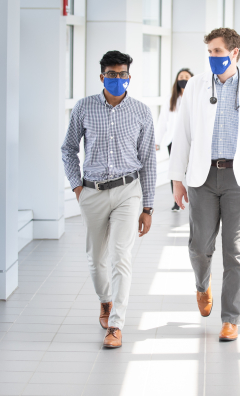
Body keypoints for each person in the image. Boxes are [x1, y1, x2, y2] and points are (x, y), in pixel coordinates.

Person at [169, 28, 240, 342]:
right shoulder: (195, 86)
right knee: (200, 247)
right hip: (202, 178)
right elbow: (184, 134)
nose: (213, 57)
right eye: (210, 52)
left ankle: (231, 318)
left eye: (218, 51)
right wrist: (177, 180)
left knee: (237, 251)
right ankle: (202, 286)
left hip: (239, 178)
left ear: (235, 53)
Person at [61, 50, 156, 348]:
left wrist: (148, 206)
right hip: (92, 191)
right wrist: (78, 187)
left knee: (121, 257)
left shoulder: (141, 111)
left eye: (122, 74)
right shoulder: (84, 107)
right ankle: (105, 300)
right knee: (96, 259)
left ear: (129, 77)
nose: (118, 79)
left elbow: (147, 161)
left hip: (129, 191)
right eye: (112, 74)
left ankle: (116, 324)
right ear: (102, 76)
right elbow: (68, 149)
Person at [155, 68, 194, 211]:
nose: (183, 79)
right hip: (173, 141)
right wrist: (157, 141)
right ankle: (176, 201)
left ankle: (193, 198)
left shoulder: (195, 97)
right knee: (175, 172)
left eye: (187, 77)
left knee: (191, 170)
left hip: (191, 140)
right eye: (181, 77)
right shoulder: (171, 99)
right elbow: (162, 121)